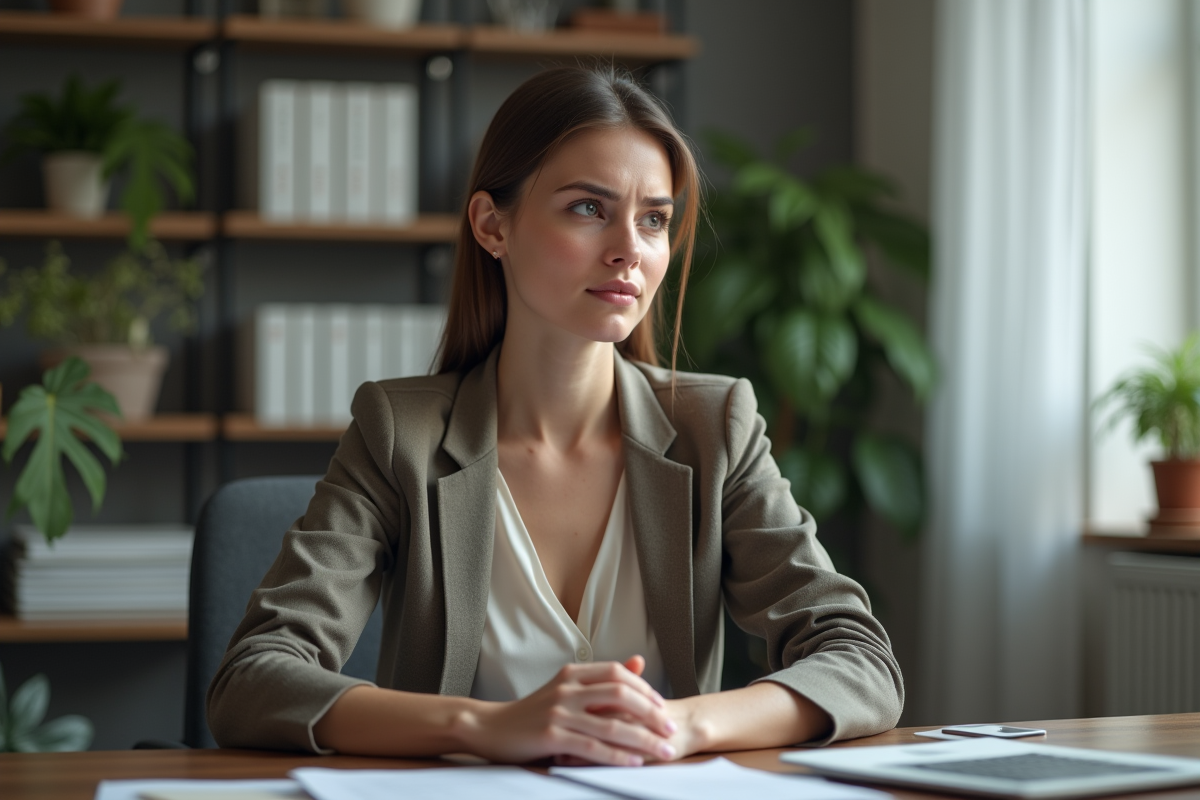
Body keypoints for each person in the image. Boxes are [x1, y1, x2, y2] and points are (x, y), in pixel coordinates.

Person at [208, 66, 903, 765]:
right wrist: (486, 728)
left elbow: (860, 662)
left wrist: (679, 726)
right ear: (492, 225)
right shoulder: (401, 434)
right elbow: (252, 679)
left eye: (655, 219)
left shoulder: (714, 427)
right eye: (588, 208)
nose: (630, 248)